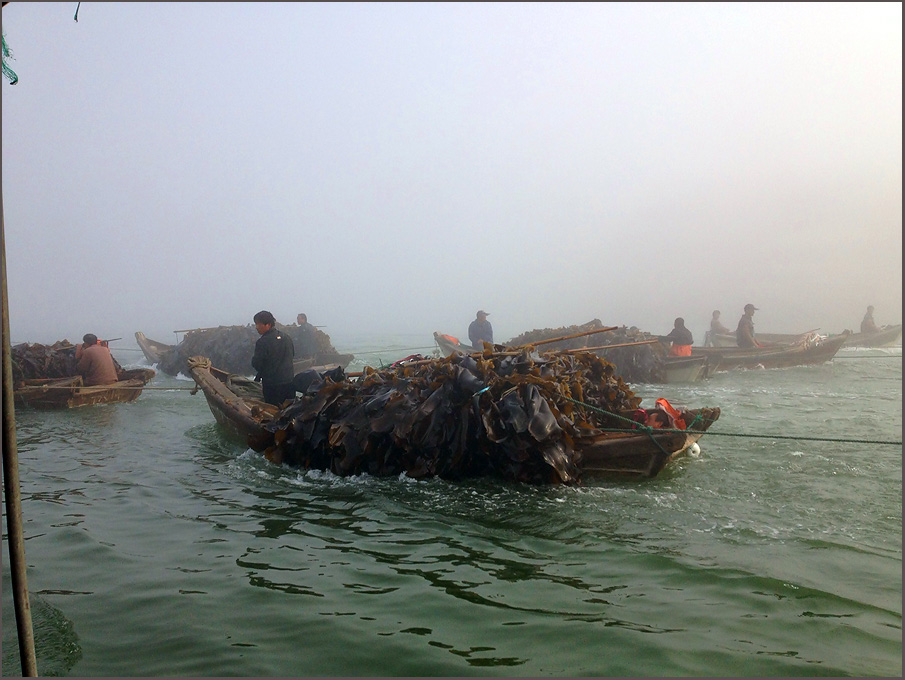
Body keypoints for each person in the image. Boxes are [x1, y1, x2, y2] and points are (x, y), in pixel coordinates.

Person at [251, 310, 296, 406]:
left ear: (268, 324)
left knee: (273, 412)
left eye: (258, 324)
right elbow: (292, 355)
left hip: (272, 386)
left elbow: (257, 363)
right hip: (289, 382)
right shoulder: (286, 337)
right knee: (290, 411)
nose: (256, 327)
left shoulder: (262, 342)